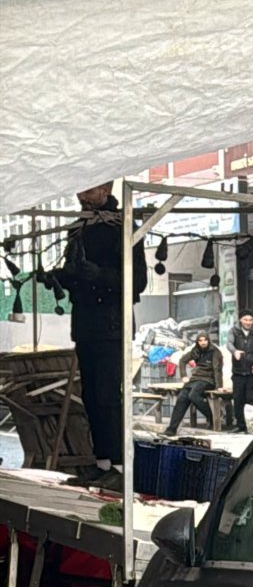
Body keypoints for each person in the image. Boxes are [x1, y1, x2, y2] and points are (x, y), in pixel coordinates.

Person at [60, 181, 148, 491]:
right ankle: (102, 463)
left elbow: (137, 281)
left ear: (106, 189)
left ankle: (121, 467)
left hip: (112, 323)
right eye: (80, 191)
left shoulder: (123, 226)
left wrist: (98, 275)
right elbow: (73, 271)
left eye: (89, 190)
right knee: (91, 396)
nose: (82, 197)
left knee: (109, 395)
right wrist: (62, 278)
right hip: (86, 323)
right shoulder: (77, 229)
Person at [164, 332, 223, 435]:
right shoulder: (195, 350)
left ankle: (211, 416)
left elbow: (217, 369)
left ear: (208, 340)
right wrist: (184, 375)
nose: (203, 342)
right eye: (200, 340)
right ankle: (171, 429)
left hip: (208, 379)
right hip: (195, 379)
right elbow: (182, 360)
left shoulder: (215, 351)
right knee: (182, 397)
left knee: (193, 395)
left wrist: (219, 386)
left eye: (205, 340)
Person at [228, 310, 253, 433]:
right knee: (238, 399)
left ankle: (251, 425)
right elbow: (229, 343)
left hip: (252, 371)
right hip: (238, 371)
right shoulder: (234, 331)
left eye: (250, 320)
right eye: (246, 320)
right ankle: (240, 425)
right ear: (241, 320)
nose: (248, 322)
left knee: (252, 398)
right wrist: (235, 351)